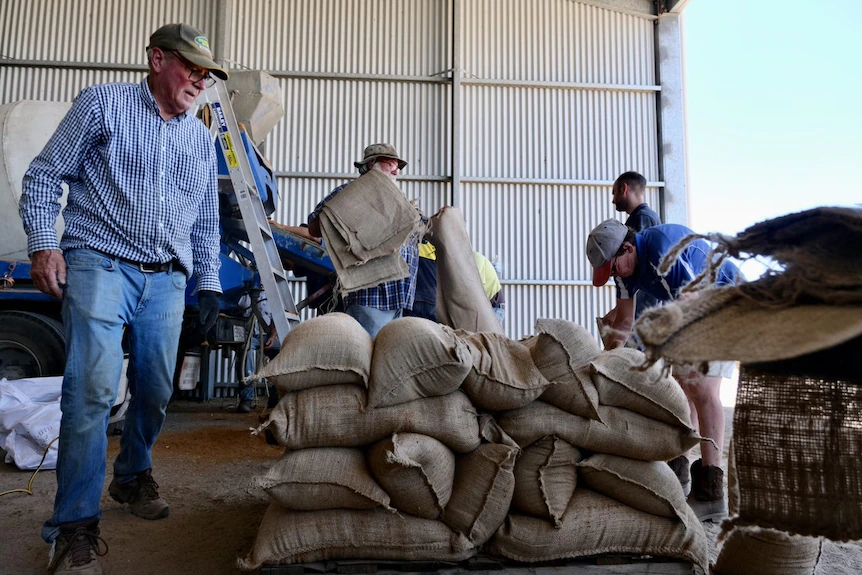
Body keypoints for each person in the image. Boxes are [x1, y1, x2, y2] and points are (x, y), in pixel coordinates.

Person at [18, 23, 227, 574]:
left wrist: (207, 283)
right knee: (91, 391)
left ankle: (132, 476)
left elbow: (205, 221)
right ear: (157, 59)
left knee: (157, 390)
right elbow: (43, 176)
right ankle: (73, 527)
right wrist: (44, 246)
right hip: (99, 261)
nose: (201, 80)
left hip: (167, 278)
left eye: (207, 73)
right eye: (191, 67)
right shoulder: (103, 105)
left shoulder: (200, 138)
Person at [587, 219, 740, 522]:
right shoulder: (626, 271)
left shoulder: (661, 250)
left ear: (627, 248)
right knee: (682, 388)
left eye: (614, 268)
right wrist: (605, 366)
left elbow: (690, 300)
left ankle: (712, 492)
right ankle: (679, 471)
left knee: (702, 389)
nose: (615, 275)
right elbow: (624, 323)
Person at [307, 143, 420, 338]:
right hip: (371, 296)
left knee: (388, 357)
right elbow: (315, 225)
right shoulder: (351, 194)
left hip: (399, 296)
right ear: (371, 165)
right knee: (368, 355)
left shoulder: (398, 198)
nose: (396, 169)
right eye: (390, 163)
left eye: (397, 165)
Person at [609, 171, 662, 330]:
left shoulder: (642, 218)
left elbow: (635, 269)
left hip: (643, 308)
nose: (613, 200)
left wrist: (621, 312)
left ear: (623, 188)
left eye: (614, 193)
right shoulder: (640, 217)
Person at [404, 244, 504, 326]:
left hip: (492, 306)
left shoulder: (475, 262)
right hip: (478, 304)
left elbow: (473, 296)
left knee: (485, 337)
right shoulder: (451, 263)